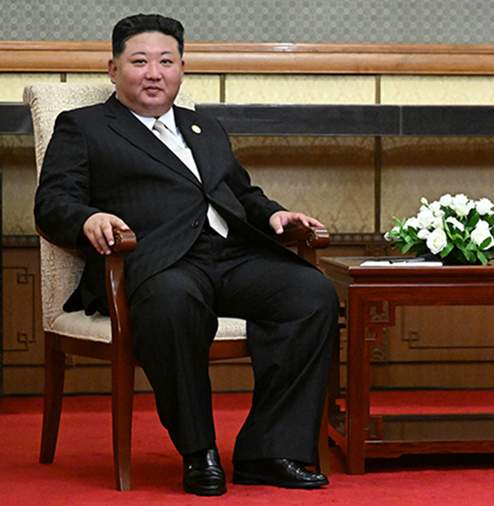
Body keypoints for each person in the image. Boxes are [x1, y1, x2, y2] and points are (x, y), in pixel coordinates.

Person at [34, 13, 338, 496]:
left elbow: (241, 193)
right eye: (139, 62)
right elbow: (52, 203)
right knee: (173, 304)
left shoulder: (204, 127)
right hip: (156, 262)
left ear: (181, 68)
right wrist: (88, 219)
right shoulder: (84, 127)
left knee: (311, 293)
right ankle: (199, 452)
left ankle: (269, 451)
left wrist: (275, 215)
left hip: (229, 255)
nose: (154, 73)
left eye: (166, 62)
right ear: (113, 69)